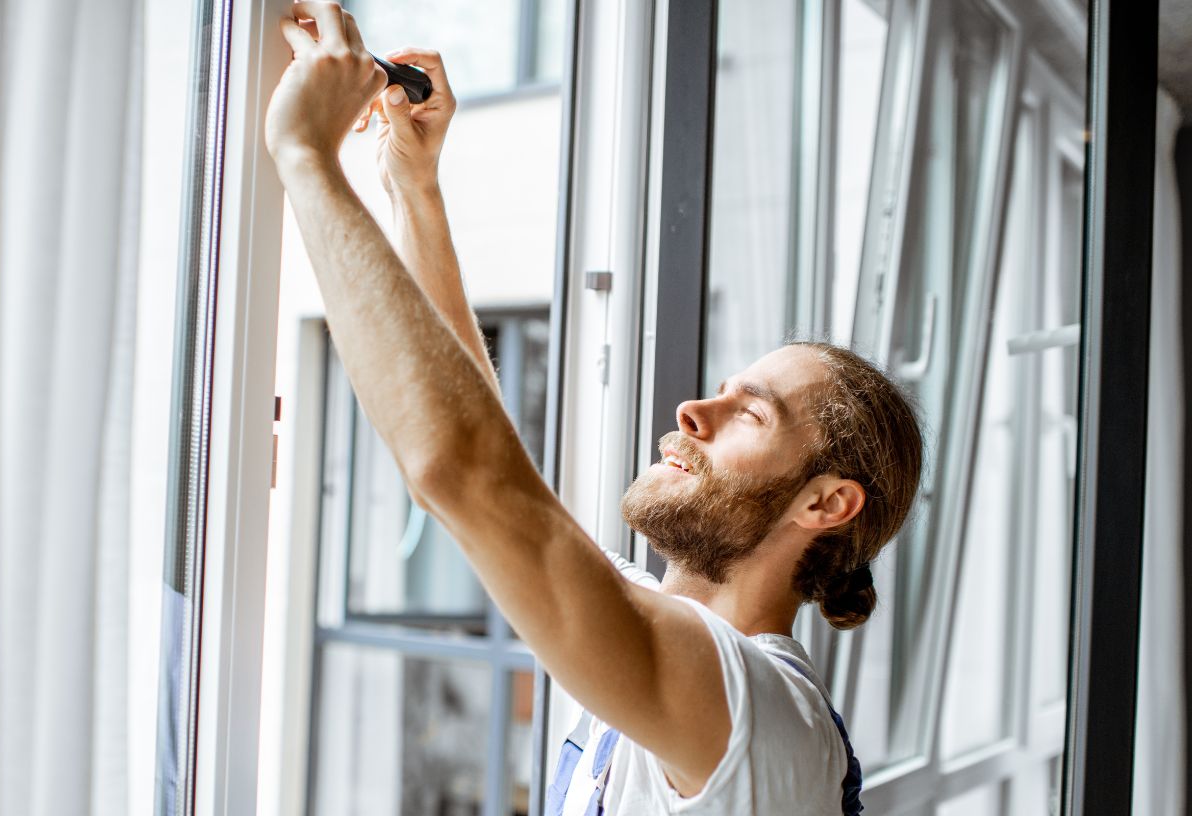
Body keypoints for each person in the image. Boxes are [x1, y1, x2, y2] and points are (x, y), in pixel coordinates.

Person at [263, 4, 923, 813]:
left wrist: (304, 154)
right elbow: (485, 464)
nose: (692, 411)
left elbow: (467, 475)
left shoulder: (760, 713)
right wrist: (413, 186)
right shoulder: (654, 639)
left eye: (749, 414)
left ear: (825, 502)